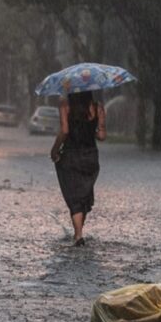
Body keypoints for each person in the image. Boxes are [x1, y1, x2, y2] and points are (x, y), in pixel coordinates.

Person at [50, 91, 106, 247]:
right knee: (83, 194)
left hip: (71, 156)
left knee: (74, 196)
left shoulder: (65, 105)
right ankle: (79, 231)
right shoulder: (97, 107)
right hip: (90, 157)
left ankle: (78, 235)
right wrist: (90, 129)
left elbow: (65, 131)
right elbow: (101, 136)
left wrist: (54, 150)